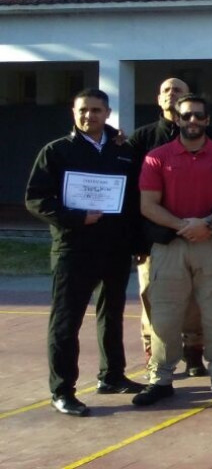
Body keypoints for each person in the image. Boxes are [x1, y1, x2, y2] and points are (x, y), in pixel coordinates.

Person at [26, 88, 145, 416]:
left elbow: (133, 202)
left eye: (96, 110)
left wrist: (136, 244)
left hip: (115, 248)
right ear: (73, 112)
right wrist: (76, 217)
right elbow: (36, 199)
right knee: (66, 321)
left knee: (113, 313)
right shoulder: (57, 151)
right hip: (73, 248)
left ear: (107, 113)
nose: (89, 116)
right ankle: (62, 390)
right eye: (83, 110)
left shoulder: (123, 151)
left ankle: (112, 375)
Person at [134, 95, 212, 406]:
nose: (192, 121)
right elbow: (147, 205)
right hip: (170, 246)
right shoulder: (157, 157)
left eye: (198, 116)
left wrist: (207, 223)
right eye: (186, 116)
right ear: (177, 119)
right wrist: (184, 226)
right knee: (165, 315)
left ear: (208, 120)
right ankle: (161, 378)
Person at [128, 77, 212, 377]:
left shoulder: (211, 138)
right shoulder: (141, 140)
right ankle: (155, 355)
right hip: (156, 238)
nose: (171, 94)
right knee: (152, 298)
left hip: (200, 234)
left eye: (177, 90)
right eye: (166, 90)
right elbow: (131, 192)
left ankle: (194, 353)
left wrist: (206, 225)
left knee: (194, 299)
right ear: (159, 99)